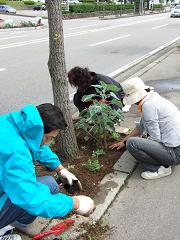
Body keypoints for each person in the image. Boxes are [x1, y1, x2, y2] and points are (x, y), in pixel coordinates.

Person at [0, 103, 95, 240]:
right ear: (39, 132)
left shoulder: (13, 124)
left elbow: (38, 145)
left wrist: (61, 169)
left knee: (50, 183)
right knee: (36, 194)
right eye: (49, 138)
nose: (48, 142)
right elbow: (31, 198)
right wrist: (74, 203)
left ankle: (13, 222)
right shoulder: (16, 153)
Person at [110, 77, 180, 180]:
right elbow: (141, 126)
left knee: (132, 143)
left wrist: (134, 143)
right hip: (177, 148)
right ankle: (163, 161)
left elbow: (155, 138)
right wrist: (123, 141)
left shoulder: (148, 106)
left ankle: (160, 168)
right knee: (133, 140)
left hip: (175, 153)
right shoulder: (153, 99)